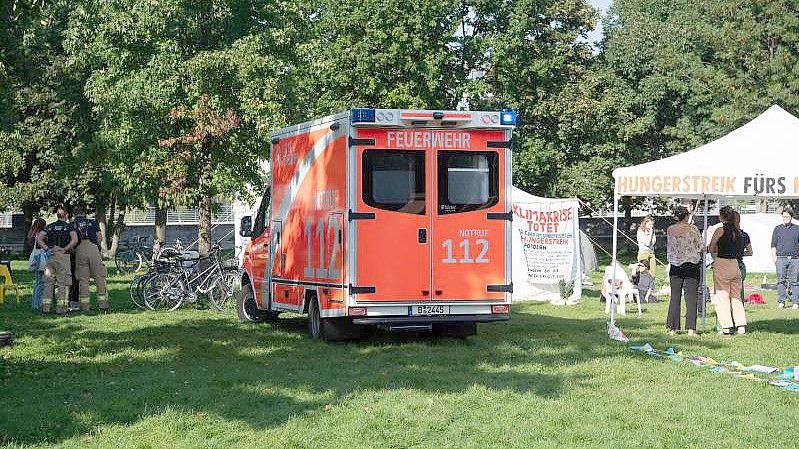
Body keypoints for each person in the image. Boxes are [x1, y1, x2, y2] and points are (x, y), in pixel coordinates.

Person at [666, 205, 704, 336]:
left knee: (675, 297)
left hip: (675, 265)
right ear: (686, 216)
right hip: (690, 264)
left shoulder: (670, 229)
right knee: (691, 297)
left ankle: (673, 328)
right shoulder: (692, 229)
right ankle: (691, 329)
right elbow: (700, 246)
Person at [709, 206, 747, 335]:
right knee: (736, 297)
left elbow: (711, 247)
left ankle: (726, 327)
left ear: (721, 217)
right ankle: (741, 326)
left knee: (722, 296)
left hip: (722, 263)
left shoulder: (720, 230)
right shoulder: (739, 232)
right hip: (735, 264)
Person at [36, 206, 78, 314]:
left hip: (51, 256)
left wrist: (46, 249)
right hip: (63, 256)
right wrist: (66, 248)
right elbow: (75, 239)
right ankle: (61, 309)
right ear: (67, 215)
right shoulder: (69, 227)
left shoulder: (49, 227)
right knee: (62, 283)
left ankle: (46, 308)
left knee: (48, 283)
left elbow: (39, 238)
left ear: (57, 215)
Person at [72, 206, 108, 312]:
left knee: (83, 280)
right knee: (99, 278)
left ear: (75, 214)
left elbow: (72, 239)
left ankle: (85, 306)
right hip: (93, 249)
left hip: (79, 250)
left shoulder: (72, 224)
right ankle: (103, 305)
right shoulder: (92, 222)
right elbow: (100, 237)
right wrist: (96, 246)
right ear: (85, 213)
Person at [771, 208, 799, 309]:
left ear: (791, 217)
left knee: (795, 281)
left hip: (795, 259)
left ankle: (795, 302)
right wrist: (774, 257)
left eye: (787, 217)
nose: (785, 218)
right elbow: (773, 244)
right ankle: (781, 302)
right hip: (781, 258)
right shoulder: (777, 229)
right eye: (783, 217)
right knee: (780, 281)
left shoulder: (797, 229)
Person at [27, 218, 47, 310]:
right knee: (41, 282)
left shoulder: (33, 233)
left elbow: (30, 243)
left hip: (36, 256)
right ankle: (37, 304)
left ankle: (35, 303)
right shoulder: (42, 234)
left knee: (38, 282)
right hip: (42, 257)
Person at [733, 211, 753, 300]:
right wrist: (740, 253)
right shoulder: (744, 235)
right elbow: (750, 252)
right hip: (740, 264)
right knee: (739, 289)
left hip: (728, 264)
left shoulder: (724, 234)